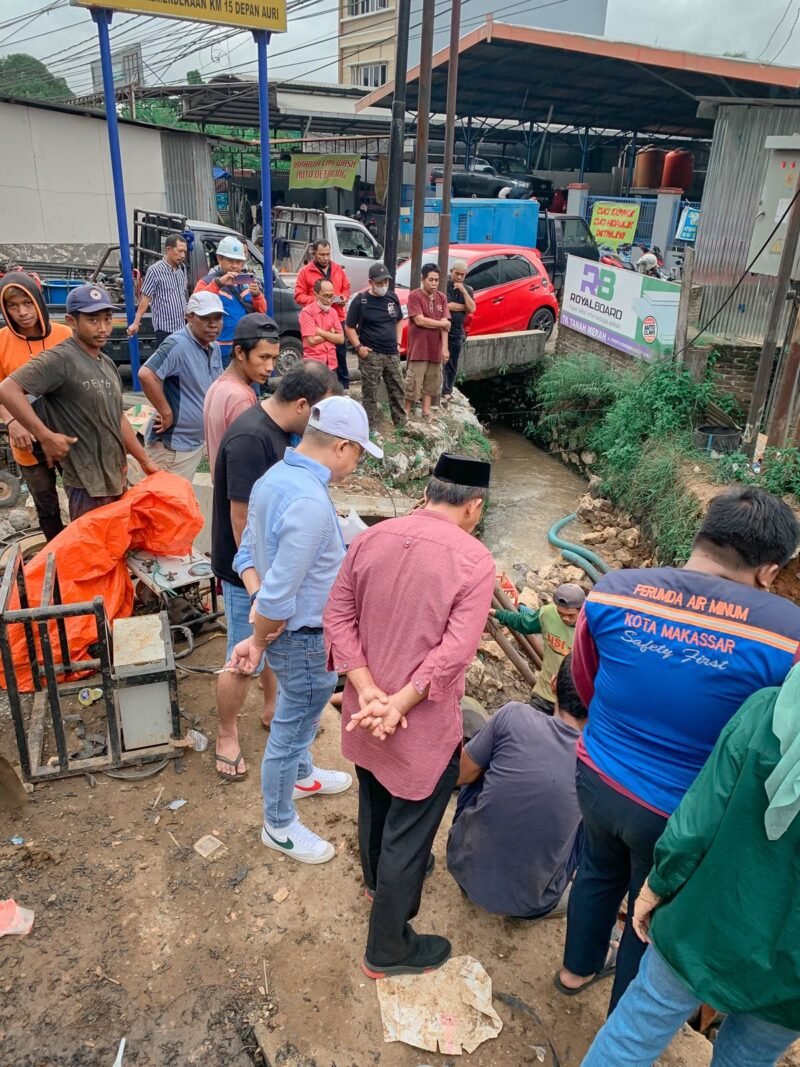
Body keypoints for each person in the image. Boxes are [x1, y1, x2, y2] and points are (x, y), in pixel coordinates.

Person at [557, 486, 800, 1014]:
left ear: (702, 536)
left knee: (597, 873)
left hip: (597, 775)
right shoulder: (788, 636)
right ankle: (626, 1014)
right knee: (653, 910)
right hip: (682, 813)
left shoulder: (613, 591)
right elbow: (778, 739)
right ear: (769, 571)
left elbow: (583, 679)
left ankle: (574, 971)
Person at [325, 453, 495, 978]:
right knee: (410, 831)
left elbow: (337, 614)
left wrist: (368, 688)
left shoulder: (371, 538)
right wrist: (398, 704)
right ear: (474, 506)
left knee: (374, 796)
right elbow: (454, 652)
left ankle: (377, 882)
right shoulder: (475, 561)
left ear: (429, 491)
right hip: (416, 726)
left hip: (363, 712)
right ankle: (388, 948)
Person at [582, 663, 800, 1067]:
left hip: (703, 925)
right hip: (791, 970)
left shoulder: (767, 712)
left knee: (636, 1030)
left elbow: (696, 824)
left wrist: (656, 885)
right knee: (748, 1059)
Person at [228, 396, 382, 862]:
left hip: (286, 633)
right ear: (341, 447)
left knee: (299, 721)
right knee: (292, 728)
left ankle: (302, 775)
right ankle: (278, 824)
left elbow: (247, 555)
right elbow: (278, 596)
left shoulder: (273, 479)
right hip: (305, 638)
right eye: (358, 452)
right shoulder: (310, 503)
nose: (357, 463)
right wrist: (258, 638)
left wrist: (259, 605)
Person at [211, 362, 341, 780]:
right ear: (303, 405)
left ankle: (272, 712)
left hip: (264, 578)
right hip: (247, 578)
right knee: (242, 655)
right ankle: (226, 733)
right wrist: (260, 594)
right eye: (320, 415)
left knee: (264, 653)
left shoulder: (285, 437)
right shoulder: (252, 438)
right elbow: (242, 522)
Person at [0, 284, 159, 520]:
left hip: (113, 478)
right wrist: (44, 435)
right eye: (93, 320)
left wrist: (145, 461)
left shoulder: (105, 363)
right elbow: (7, 388)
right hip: (86, 486)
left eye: (107, 319)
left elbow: (117, 417)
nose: (103, 328)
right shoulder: (61, 358)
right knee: (91, 552)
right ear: (72, 322)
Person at [447, 654, 586, 919]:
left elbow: (459, 776)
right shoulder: (600, 763)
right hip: (532, 903)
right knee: (587, 820)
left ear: (554, 684)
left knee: (481, 763)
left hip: (462, 868)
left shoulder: (513, 715)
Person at [0, 273, 72, 540]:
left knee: (81, 499)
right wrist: (11, 420)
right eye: (13, 306)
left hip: (65, 435)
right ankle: (56, 556)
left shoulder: (65, 335)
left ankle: (85, 554)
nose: (22, 312)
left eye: (27, 303)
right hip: (27, 442)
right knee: (46, 505)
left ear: (38, 302)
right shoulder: (2, 341)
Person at [138, 291, 223, 482]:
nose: (213, 324)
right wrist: (165, 412)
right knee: (165, 508)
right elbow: (147, 374)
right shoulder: (178, 344)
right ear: (190, 317)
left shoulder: (213, 346)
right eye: (205, 318)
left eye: (217, 318)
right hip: (172, 449)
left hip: (193, 445)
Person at [203, 313, 280, 475]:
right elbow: (247, 459)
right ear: (240, 353)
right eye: (263, 357)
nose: (270, 367)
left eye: (274, 358)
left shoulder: (218, 385)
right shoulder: (240, 397)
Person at [493, 583, 585, 715]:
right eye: (561, 613)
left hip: (575, 701)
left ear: (581, 609)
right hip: (544, 693)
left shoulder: (591, 628)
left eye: (570, 615)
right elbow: (523, 622)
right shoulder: (547, 614)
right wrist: (498, 614)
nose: (565, 618)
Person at [345, 262, 406, 435]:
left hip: (392, 353)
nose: (383, 286)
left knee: (398, 389)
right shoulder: (361, 300)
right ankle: (370, 429)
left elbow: (399, 320)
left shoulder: (392, 297)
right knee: (370, 393)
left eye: (385, 282)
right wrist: (358, 347)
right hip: (371, 355)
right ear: (371, 282)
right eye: (379, 283)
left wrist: (399, 342)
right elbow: (349, 326)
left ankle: (401, 425)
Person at [194, 235, 267, 367]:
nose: (235, 266)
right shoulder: (207, 281)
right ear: (219, 259)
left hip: (244, 347)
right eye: (231, 261)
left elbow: (262, 310)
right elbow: (196, 303)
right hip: (219, 349)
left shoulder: (245, 282)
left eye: (239, 262)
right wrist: (218, 284)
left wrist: (257, 296)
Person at [294, 240, 351, 391]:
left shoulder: (338, 269)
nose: (325, 258)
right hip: (316, 319)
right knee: (317, 355)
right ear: (314, 254)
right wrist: (320, 300)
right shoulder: (306, 272)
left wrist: (342, 298)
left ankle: (343, 389)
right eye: (321, 255)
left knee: (340, 355)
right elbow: (298, 296)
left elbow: (346, 287)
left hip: (337, 316)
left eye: (327, 254)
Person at [405, 263, 450, 420]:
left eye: (436, 280)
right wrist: (441, 323)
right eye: (431, 280)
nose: (434, 283)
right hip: (419, 348)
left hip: (435, 348)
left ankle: (426, 412)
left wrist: (445, 348)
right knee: (413, 381)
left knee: (432, 381)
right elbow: (419, 321)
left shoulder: (442, 298)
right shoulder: (414, 296)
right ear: (423, 279)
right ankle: (406, 412)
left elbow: (446, 326)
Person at [126, 233, 188, 347]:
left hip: (182, 327)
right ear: (168, 249)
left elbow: (182, 294)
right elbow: (145, 298)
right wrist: (136, 323)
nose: (183, 255)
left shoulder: (181, 270)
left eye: (184, 252)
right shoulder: (155, 270)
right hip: (165, 329)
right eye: (179, 251)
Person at [442, 260, 475, 401]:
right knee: (441, 359)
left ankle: (447, 389)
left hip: (457, 331)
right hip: (443, 328)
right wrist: (463, 307)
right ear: (451, 272)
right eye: (457, 274)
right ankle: (438, 387)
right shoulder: (444, 286)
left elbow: (472, 308)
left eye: (463, 275)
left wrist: (463, 292)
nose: (460, 277)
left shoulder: (467, 289)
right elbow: (446, 306)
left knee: (453, 362)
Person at [299, 279, 344, 372]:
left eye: (331, 296)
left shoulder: (333, 312)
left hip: (332, 363)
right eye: (325, 296)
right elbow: (311, 341)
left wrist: (320, 332)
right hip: (314, 364)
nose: (328, 300)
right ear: (316, 295)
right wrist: (331, 333)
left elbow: (341, 339)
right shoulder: (307, 312)